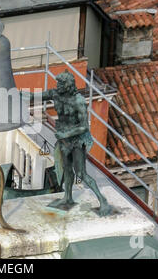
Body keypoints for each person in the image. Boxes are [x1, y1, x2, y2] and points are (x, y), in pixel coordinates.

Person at [23, 70, 112, 216]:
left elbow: (84, 126)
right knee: (67, 169)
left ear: (68, 85)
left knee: (81, 173)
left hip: (77, 139)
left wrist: (66, 133)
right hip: (64, 140)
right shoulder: (55, 94)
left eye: (61, 83)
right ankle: (68, 197)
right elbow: (35, 96)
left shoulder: (78, 101)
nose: (57, 85)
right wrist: (18, 94)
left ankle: (103, 200)